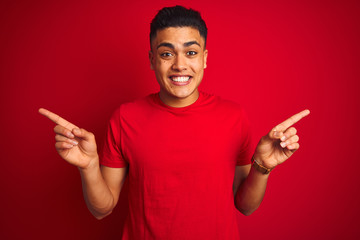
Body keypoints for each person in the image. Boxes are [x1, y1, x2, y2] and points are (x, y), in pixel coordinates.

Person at [39, 5, 310, 240]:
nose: (180, 65)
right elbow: (102, 209)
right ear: (152, 60)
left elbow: (246, 206)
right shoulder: (124, 118)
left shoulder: (234, 116)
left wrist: (263, 167)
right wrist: (88, 167)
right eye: (167, 54)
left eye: (191, 53)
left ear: (204, 59)